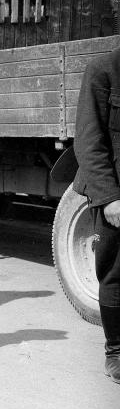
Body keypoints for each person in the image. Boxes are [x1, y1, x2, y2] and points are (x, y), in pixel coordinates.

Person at [73, 45, 120, 384]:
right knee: (117, 273)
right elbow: (89, 141)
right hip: (118, 191)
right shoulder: (103, 68)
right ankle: (116, 351)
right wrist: (109, 198)